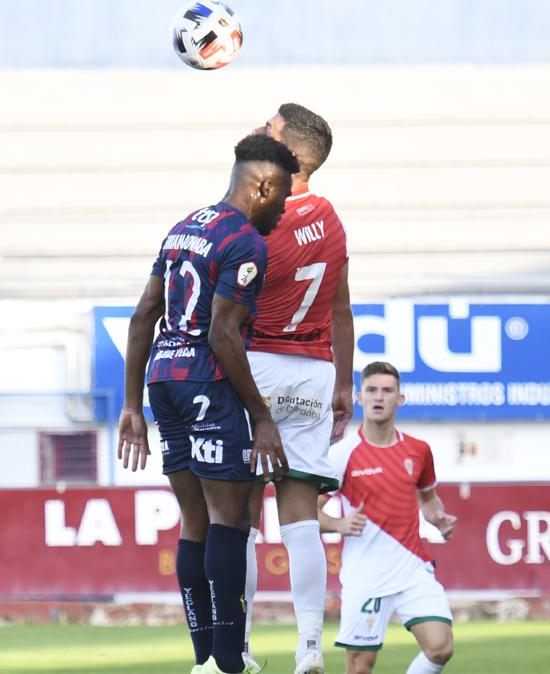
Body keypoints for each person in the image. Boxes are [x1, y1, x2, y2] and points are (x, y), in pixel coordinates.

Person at [117, 133, 298, 674]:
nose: (283, 210)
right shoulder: (245, 242)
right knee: (233, 516)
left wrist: (132, 404)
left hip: (162, 382)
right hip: (205, 380)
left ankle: (205, 659)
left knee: (193, 521)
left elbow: (144, 314)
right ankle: (227, 660)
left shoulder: (184, 227)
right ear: (262, 185)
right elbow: (223, 334)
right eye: (282, 196)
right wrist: (262, 417)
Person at [242, 102, 351, 674]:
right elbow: (341, 306)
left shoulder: (260, 220)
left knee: (239, 516)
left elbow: (228, 312)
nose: (261, 128)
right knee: (300, 518)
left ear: (288, 154)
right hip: (314, 370)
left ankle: (239, 648)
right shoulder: (328, 216)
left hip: (260, 363)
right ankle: (309, 646)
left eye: (270, 128)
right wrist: (345, 383)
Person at [320, 362, 457, 674]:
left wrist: (438, 518)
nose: (378, 397)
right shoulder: (343, 454)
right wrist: (338, 524)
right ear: (359, 397)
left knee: (441, 647)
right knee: (360, 667)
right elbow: (307, 514)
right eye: (371, 390)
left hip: (412, 568)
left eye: (387, 390)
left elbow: (427, 498)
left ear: (400, 398)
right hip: (365, 576)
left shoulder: (418, 450)